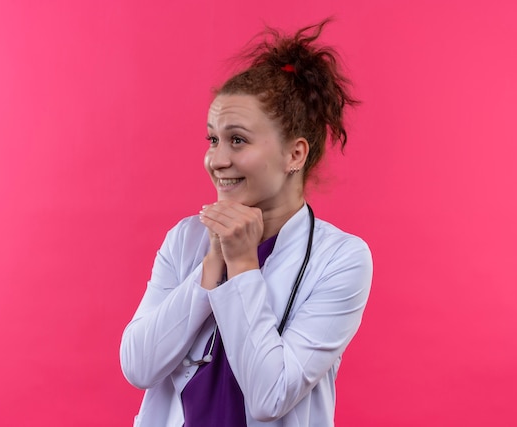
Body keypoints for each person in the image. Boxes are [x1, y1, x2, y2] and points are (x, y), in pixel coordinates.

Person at [120, 19, 373, 427]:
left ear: (295, 155)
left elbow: (269, 396)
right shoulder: (186, 239)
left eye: (237, 140)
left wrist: (241, 265)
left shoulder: (341, 259)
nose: (217, 160)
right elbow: (138, 366)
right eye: (212, 139)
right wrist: (210, 268)